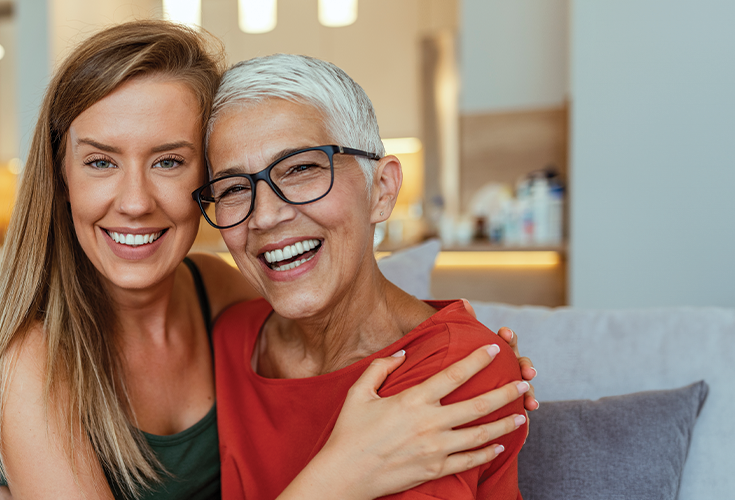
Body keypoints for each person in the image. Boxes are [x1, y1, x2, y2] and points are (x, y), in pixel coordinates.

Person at [0, 21, 537, 500]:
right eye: (100, 162)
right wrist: (339, 477)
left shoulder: (222, 298)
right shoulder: (36, 362)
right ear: (60, 179)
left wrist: (470, 350)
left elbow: (344, 317)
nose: (135, 202)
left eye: (168, 161)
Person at [198, 53, 529, 499]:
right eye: (234, 188)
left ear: (382, 190)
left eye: (301, 169)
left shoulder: (458, 369)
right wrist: (339, 475)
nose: (266, 216)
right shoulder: (229, 339)